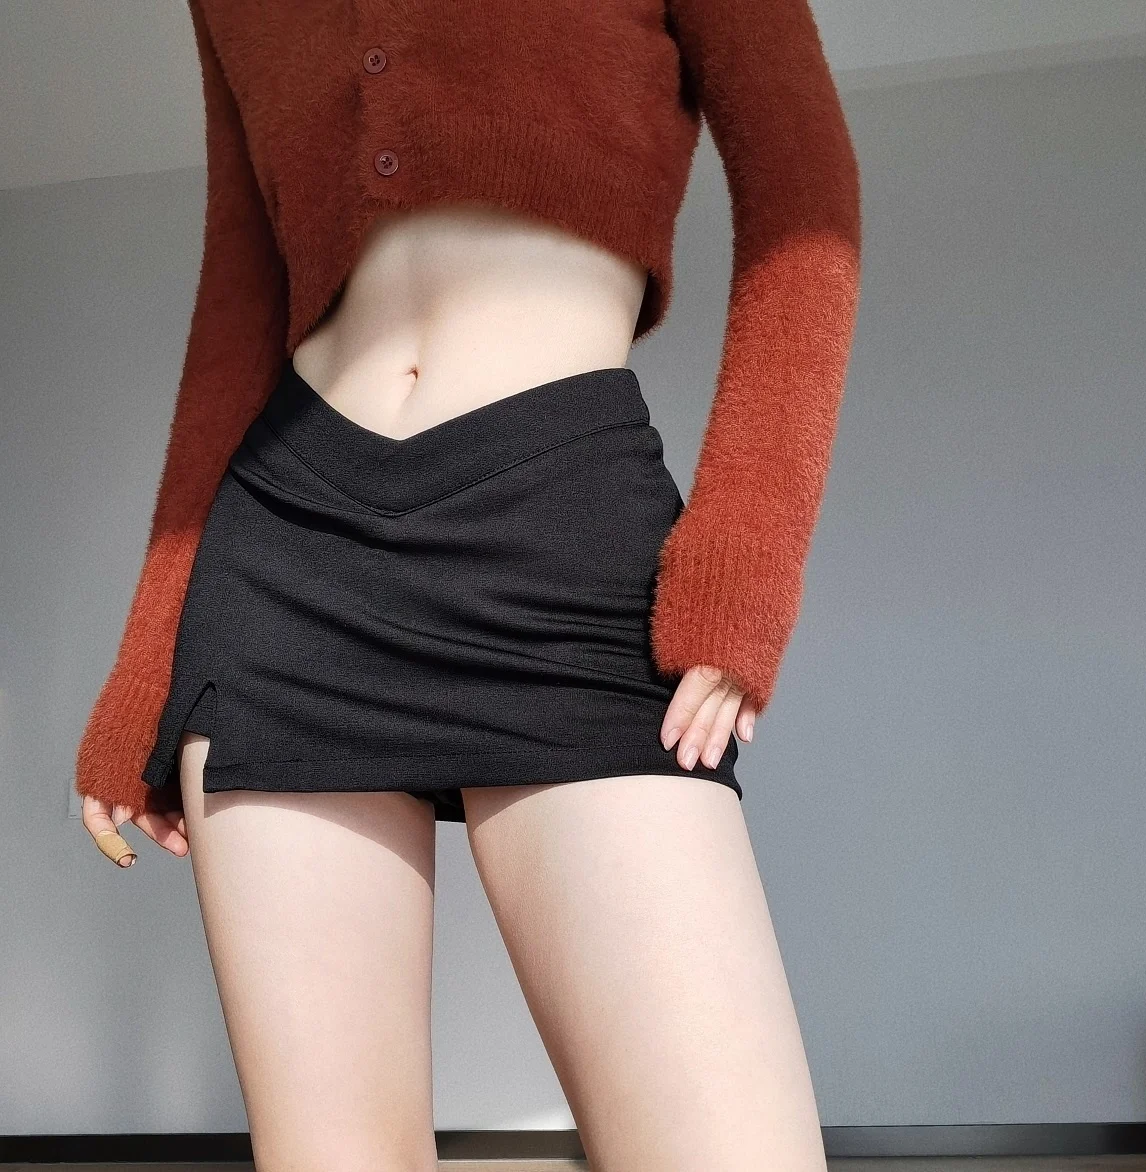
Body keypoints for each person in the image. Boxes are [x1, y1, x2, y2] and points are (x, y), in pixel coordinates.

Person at [75, 0, 862, 1167]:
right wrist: (147, 662)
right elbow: (241, 285)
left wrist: (742, 554)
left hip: (564, 529)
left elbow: (805, 200)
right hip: (286, 557)